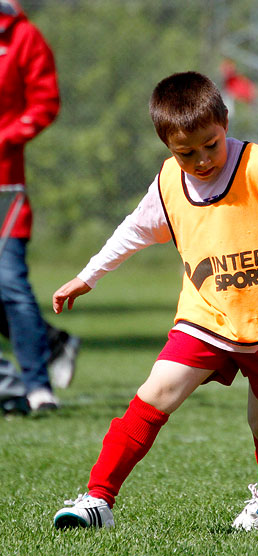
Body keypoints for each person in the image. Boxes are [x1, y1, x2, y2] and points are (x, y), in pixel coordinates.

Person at [51, 71, 258, 531]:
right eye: (186, 153)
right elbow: (134, 230)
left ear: (225, 122)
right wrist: (88, 275)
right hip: (206, 315)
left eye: (211, 145)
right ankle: (97, 500)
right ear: (167, 145)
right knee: (155, 394)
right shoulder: (170, 180)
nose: (202, 160)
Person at [0, 0, 80, 412]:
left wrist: (6, 138)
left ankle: (36, 386)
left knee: (9, 283)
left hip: (5, 188)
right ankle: (51, 343)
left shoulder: (22, 35)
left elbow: (44, 103)